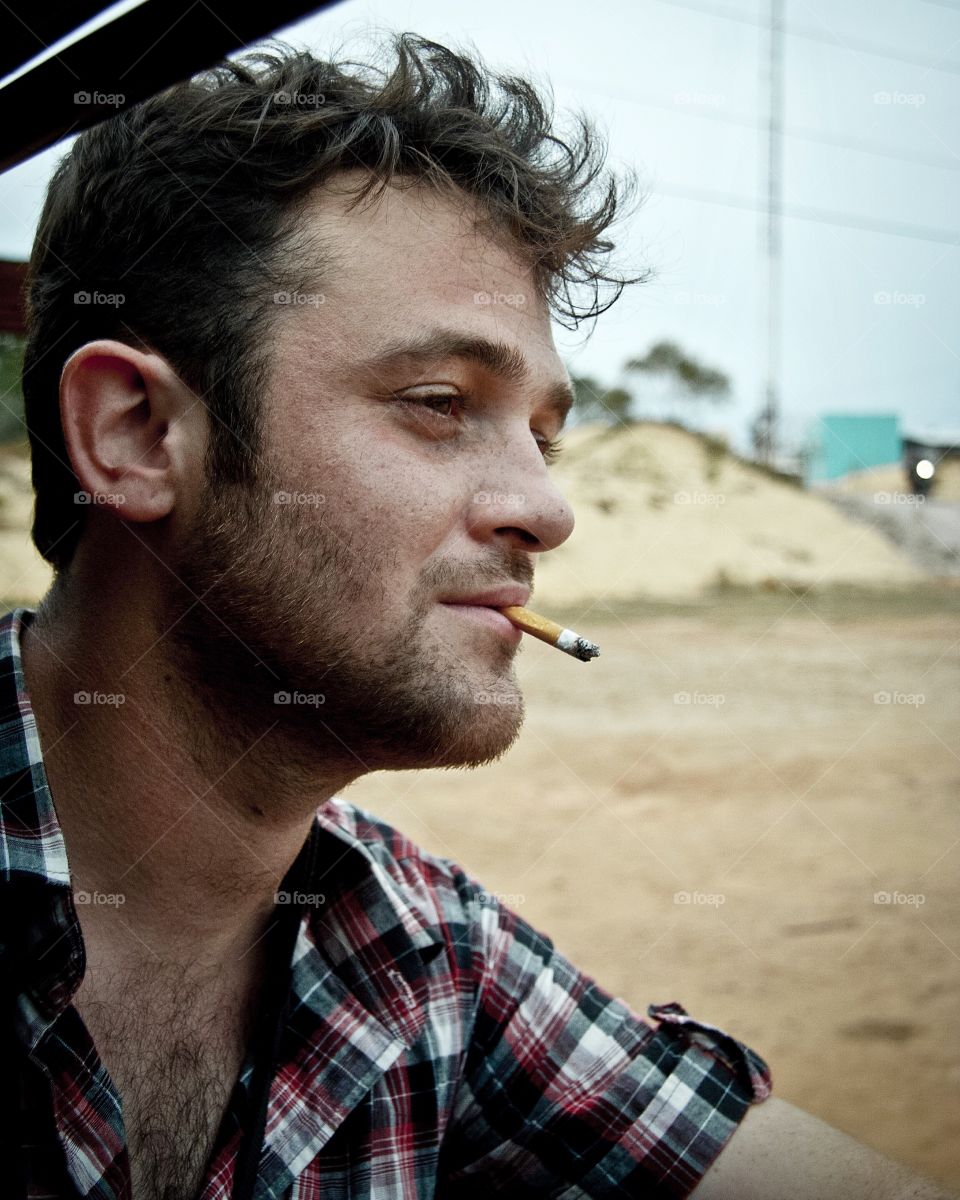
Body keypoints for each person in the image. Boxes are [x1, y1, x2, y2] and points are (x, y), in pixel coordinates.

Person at [2, 31, 954, 1200]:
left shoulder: (414, 955)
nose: (547, 511)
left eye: (545, 437)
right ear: (138, 434)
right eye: (440, 403)